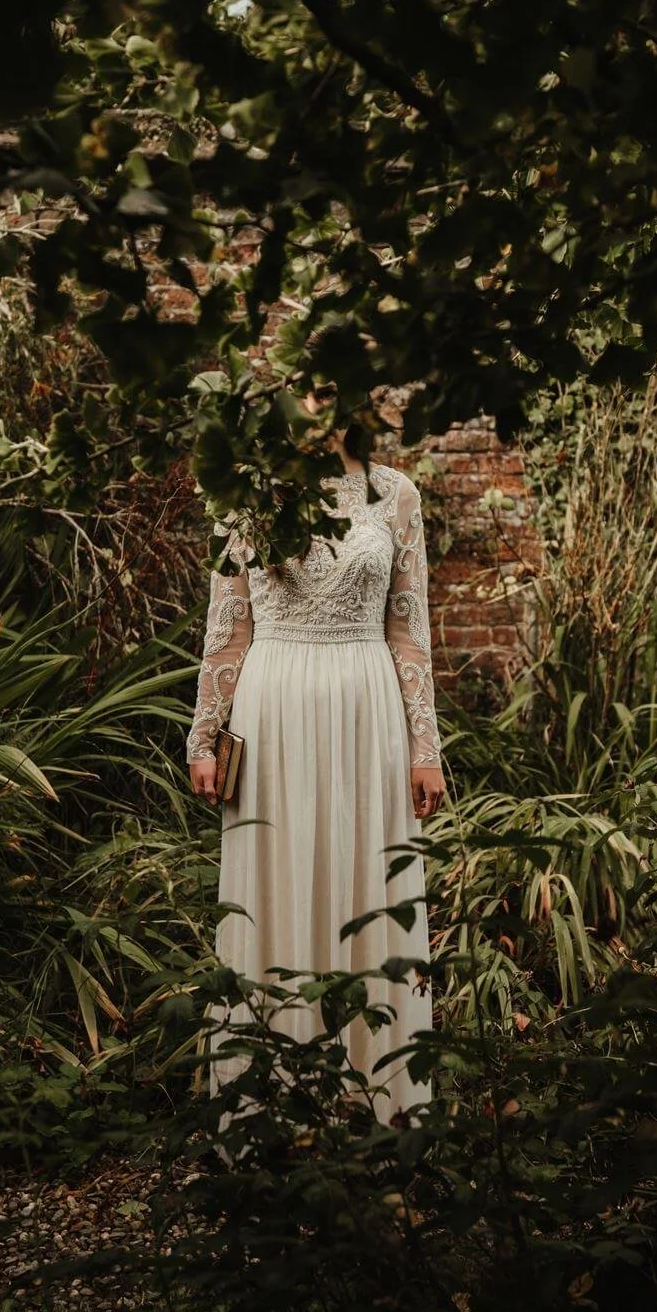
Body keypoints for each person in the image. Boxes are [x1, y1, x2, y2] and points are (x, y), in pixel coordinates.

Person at [184, 418, 446, 1129]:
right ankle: (273, 1110)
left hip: (369, 714)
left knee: (369, 879)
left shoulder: (396, 495)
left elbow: (408, 628)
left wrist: (426, 746)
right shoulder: (249, 493)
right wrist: (203, 735)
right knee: (277, 882)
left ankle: (377, 1102)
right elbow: (229, 624)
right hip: (273, 713)